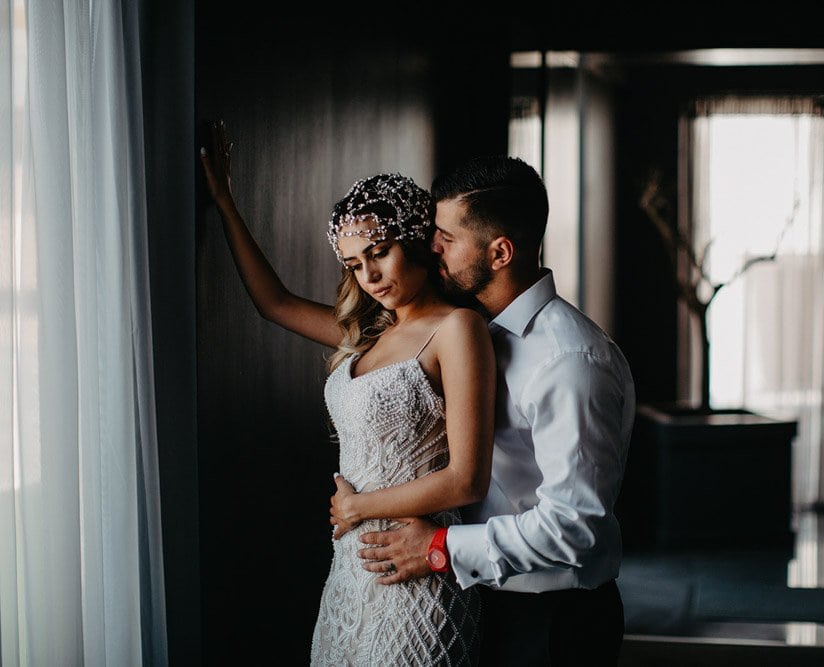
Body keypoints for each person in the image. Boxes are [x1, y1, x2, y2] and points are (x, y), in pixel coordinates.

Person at [199, 120, 496, 666]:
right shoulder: (370, 335)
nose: (370, 275)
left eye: (380, 252)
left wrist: (358, 505)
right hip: (350, 571)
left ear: (415, 240)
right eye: (354, 265)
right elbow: (277, 304)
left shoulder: (456, 329)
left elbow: (466, 479)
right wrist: (224, 203)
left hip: (416, 568)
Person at [351, 155, 637, 665]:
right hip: (480, 603)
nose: (430, 247)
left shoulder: (570, 362)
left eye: (447, 238)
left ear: (500, 251)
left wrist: (438, 546)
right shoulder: (468, 331)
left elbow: (573, 527)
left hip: (551, 623)